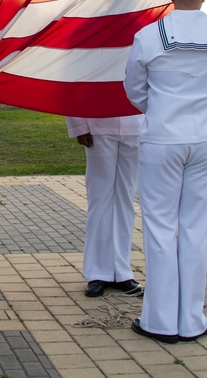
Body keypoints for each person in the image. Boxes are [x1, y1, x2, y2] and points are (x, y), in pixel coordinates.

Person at [124, 0, 207, 344]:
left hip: (163, 139)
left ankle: (159, 320)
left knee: (159, 228)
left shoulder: (148, 35)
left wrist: (159, 111)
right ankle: (191, 318)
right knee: (195, 229)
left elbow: (135, 89)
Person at [66, 115, 143, 298]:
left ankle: (122, 271)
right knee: (100, 199)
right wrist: (79, 126)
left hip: (135, 125)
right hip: (98, 123)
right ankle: (96, 272)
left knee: (125, 199)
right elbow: (75, 87)